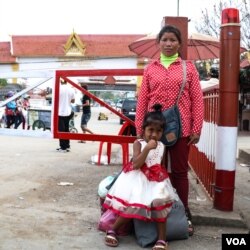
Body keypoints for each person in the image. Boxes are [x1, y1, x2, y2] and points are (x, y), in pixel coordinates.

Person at [135, 25, 204, 236]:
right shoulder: (150, 69)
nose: (168, 44)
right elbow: (143, 99)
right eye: (164, 39)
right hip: (153, 129)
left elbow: (197, 99)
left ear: (179, 44)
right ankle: (150, 211)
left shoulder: (188, 68)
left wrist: (196, 127)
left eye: (173, 40)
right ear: (158, 42)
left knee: (180, 173)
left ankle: (183, 212)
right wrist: (140, 129)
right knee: (152, 171)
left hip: (180, 128)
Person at [103, 104, 177, 250]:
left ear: (162, 132)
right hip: (138, 179)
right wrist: (148, 148)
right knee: (135, 204)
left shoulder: (162, 146)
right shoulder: (138, 143)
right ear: (143, 130)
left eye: (158, 131)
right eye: (150, 130)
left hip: (156, 181)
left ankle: (162, 240)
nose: (154, 135)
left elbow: (160, 165)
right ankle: (113, 229)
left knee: (159, 203)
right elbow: (136, 164)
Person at [57, 79, 75, 152]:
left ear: (61, 81)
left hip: (60, 112)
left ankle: (63, 147)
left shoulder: (58, 89)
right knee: (66, 129)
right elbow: (73, 101)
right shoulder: (71, 89)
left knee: (61, 130)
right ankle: (67, 145)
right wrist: (67, 100)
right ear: (67, 81)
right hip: (68, 112)